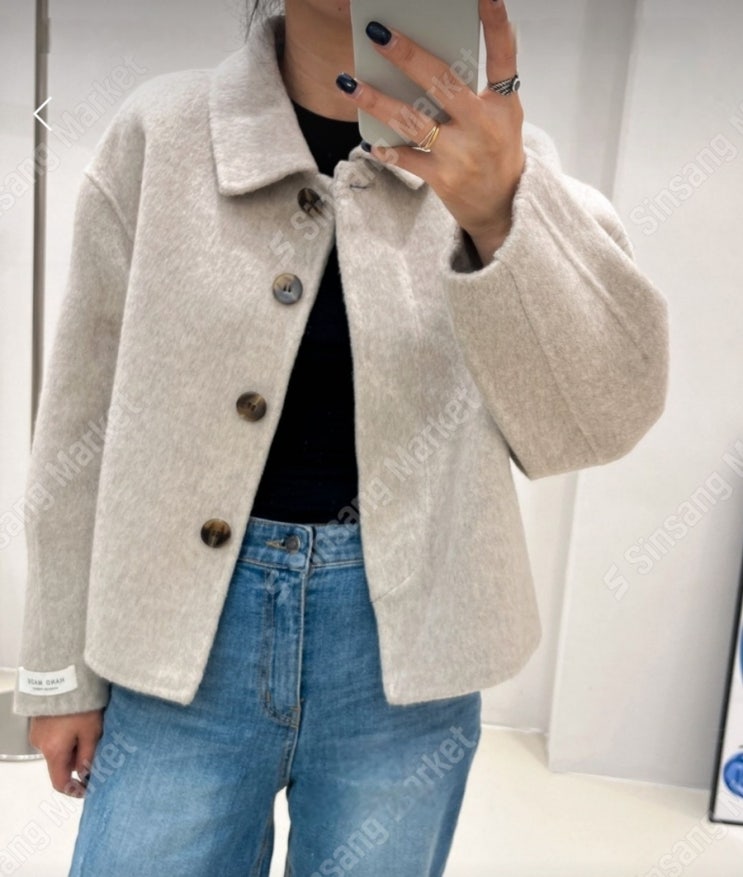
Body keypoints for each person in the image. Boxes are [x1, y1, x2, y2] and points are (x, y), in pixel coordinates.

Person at [12, 0, 669, 874]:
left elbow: (600, 417)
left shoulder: (506, 165)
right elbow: (78, 420)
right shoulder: (159, 135)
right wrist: (57, 669)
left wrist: (501, 216)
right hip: (172, 642)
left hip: (406, 661)